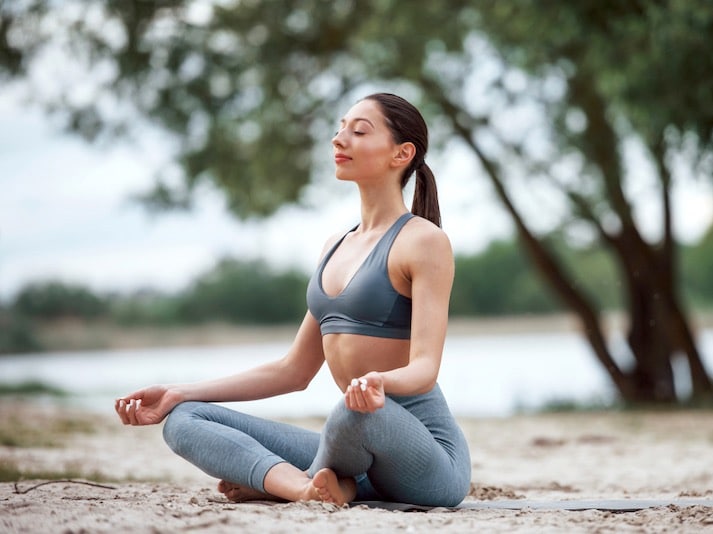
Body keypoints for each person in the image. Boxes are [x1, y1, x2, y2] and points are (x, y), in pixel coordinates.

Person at [114, 93, 471, 507]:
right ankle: (303, 487)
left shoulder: (424, 241)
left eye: (358, 131)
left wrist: (379, 383)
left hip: (427, 459)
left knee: (351, 413)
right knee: (185, 420)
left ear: (401, 153)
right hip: (355, 452)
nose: (339, 140)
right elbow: (293, 370)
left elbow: (425, 368)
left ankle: (292, 482)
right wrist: (179, 391)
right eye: (340, 129)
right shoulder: (335, 246)